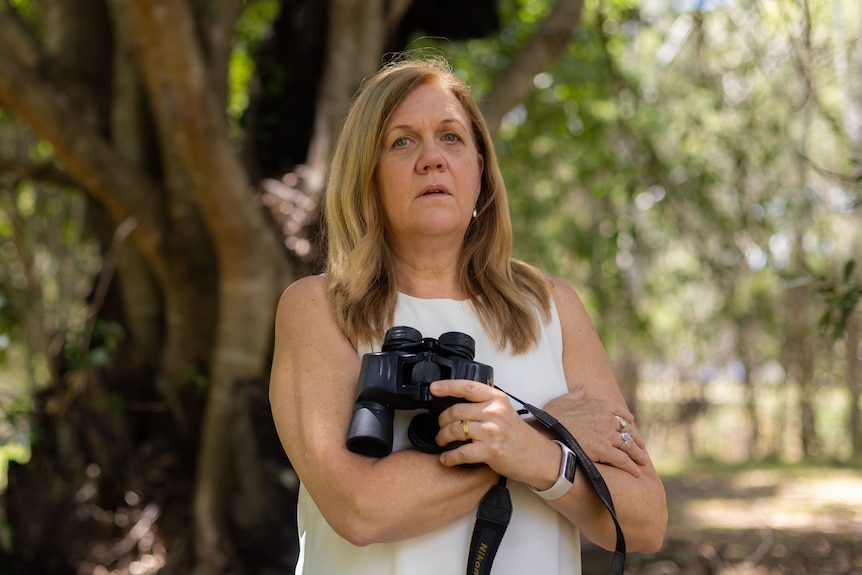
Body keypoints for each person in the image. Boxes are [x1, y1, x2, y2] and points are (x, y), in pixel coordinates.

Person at [269, 56, 667, 575]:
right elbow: (360, 509)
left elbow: (645, 520)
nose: (432, 159)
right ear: (367, 177)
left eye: (451, 137)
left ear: (480, 171)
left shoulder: (552, 308)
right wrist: (537, 436)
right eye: (402, 141)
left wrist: (538, 455)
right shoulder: (317, 308)